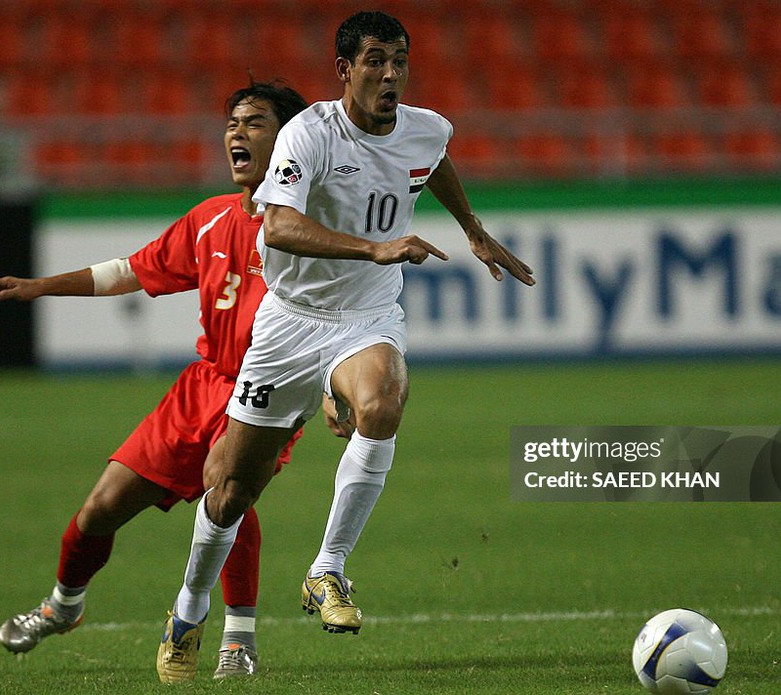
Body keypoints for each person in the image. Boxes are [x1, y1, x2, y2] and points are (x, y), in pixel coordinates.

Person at [156, 9, 535, 678]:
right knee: (232, 490)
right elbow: (277, 227)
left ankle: (327, 568)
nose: (390, 75)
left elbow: (432, 163)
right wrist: (373, 247)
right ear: (344, 70)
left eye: (399, 62)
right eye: (375, 62)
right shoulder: (309, 134)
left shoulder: (426, 128)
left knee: (383, 403)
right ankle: (189, 609)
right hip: (289, 322)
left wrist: (472, 228)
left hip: (366, 316)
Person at [0, 82, 314, 682]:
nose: (237, 133)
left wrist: (335, 393)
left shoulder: (312, 229)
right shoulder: (209, 219)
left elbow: (339, 315)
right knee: (99, 510)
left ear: (289, 140)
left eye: (255, 122)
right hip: (200, 387)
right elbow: (130, 271)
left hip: (268, 387)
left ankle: (238, 640)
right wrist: (39, 286)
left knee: (227, 492)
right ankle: (62, 606)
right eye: (232, 123)